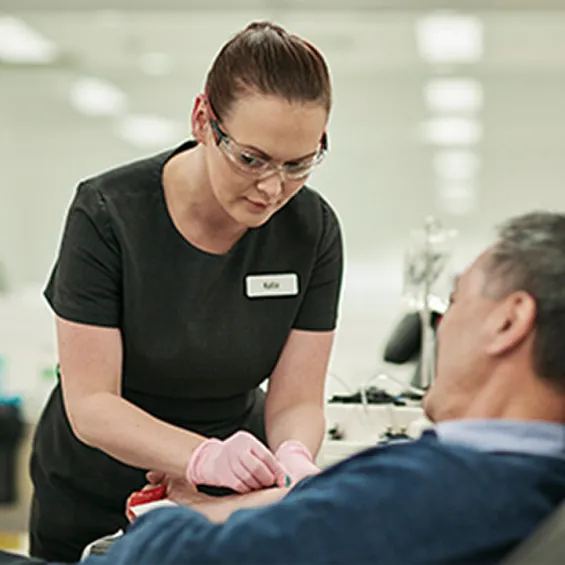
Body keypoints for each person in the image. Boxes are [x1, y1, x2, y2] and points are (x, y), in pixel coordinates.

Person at [49, 210, 565, 564]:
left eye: (454, 301)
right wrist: (268, 498)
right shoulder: (522, 478)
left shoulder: (438, 492)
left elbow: (176, 559)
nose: (442, 324)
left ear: (508, 322)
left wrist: (156, 522)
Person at [29, 20, 343, 563]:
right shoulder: (108, 214)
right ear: (203, 119)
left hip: (225, 495)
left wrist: (291, 456)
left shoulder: (311, 229)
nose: (273, 188)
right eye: (251, 159)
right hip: (96, 486)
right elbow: (92, 404)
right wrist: (200, 457)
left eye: (299, 165)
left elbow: (295, 398)